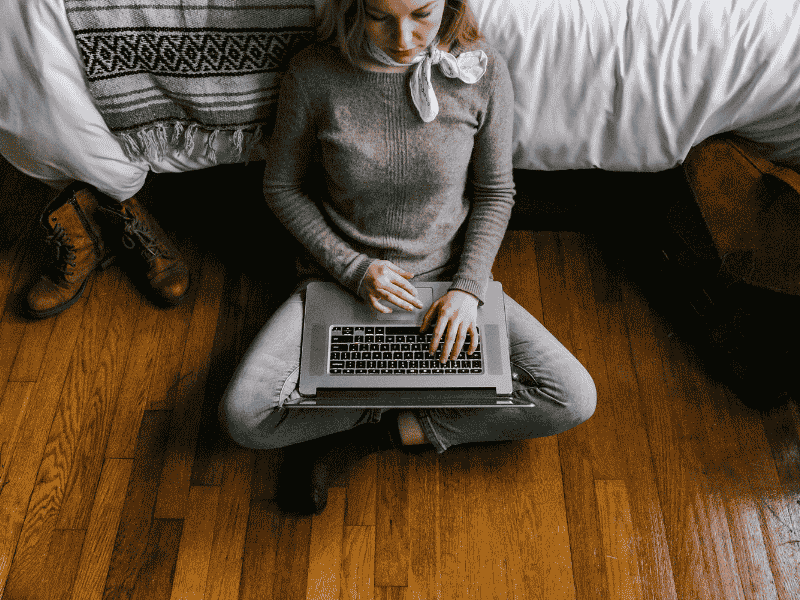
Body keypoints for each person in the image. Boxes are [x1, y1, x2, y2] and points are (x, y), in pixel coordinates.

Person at [219, 0, 596, 515]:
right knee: (242, 417)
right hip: (343, 281)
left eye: (421, 13)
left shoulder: (481, 68)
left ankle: (384, 431)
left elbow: (495, 191)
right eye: (379, 15)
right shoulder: (315, 72)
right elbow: (281, 187)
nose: (403, 37)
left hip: (448, 280)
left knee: (573, 397)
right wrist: (354, 269)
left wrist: (467, 289)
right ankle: (389, 402)